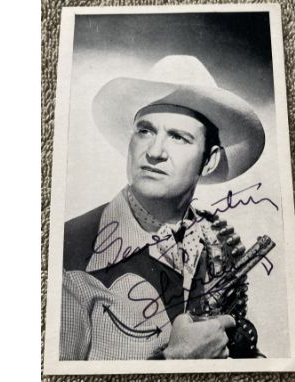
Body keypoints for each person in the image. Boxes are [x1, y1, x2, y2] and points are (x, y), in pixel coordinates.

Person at [60, 55, 266, 360]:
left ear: (208, 161)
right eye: (145, 131)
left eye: (178, 137)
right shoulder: (68, 249)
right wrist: (173, 362)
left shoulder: (218, 242)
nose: (154, 152)